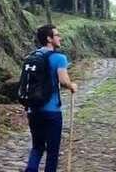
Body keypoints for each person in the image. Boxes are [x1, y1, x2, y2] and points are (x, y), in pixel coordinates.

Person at [23, 24, 78, 172]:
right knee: (52, 151)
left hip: (33, 110)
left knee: (37, 147)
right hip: (52, 111)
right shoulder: (59, 58)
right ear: (49, 38)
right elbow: (63, 80)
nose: (60, 38)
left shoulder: (32, 57)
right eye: (57, 35)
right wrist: (72, 86)